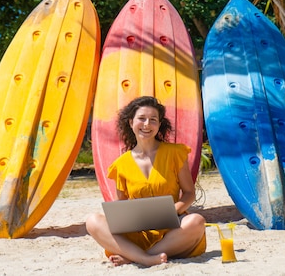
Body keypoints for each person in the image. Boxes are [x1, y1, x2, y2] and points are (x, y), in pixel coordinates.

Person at [86, 96, 206, 267]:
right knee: (92, 220)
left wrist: (173, 210)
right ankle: (143, 256)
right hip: (137, 233)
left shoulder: (175, 153)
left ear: (159, 124)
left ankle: (138, 257)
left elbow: (189, 193)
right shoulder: (120, 165)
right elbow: (121, 205)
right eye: (141, 119)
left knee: (197, 221)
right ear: (130, 122)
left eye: (153, 120)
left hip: (171, 232)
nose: (147, 124)